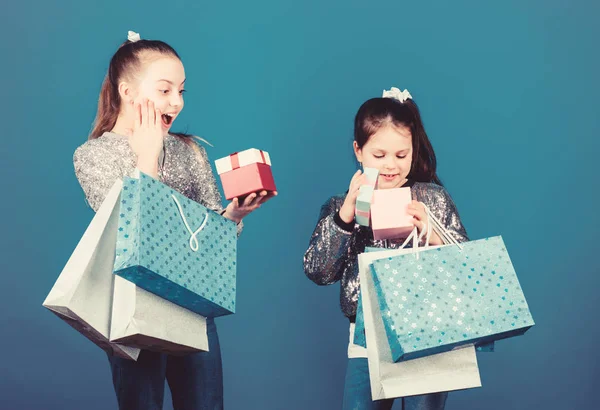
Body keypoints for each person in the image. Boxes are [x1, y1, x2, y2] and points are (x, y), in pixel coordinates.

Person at [73, 30, 275, 410]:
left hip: (191, 301)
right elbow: (125, 228)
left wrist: (234, 213)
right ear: (127, 91)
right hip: (132, 303)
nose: (176, 102)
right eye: (165, 90)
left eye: (181, 91)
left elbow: (209, 231)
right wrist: (146, 159)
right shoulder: (92, 155)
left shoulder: (188, 151)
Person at [303, 87, 468, 410]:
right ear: (358, 150)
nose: (391, 165)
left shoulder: (433, 198)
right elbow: (318, 271)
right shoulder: (341, 205)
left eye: (401, 155)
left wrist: (433, 233)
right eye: (379, 155)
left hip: (429, 332)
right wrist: (346, 215)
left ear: (412, 150)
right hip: (367, 340)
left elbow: (467, 268)